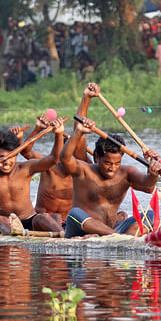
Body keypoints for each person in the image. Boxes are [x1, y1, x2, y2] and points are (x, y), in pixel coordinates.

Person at [61, 116, 161, 238]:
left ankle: (126, 238)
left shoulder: (126, 172)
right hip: (81, 229)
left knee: (150, 215)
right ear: (97, 157)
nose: (112, 168)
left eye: (117, 163)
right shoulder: (84, 170)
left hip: (111, 231)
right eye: (107, 163)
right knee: (74, 213)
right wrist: (78, 132)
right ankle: (122, 238)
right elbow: (65, 158)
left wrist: (152, 172)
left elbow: (148, 186)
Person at [19, 84, 99, 224]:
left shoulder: (83, 166)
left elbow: (78, 130)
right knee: (53, 218)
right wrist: (37, 129)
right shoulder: (49, 163)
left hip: (68, 222)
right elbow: (25, 151)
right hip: (43, 220)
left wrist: (86, 98)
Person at [0, 119, 66, 235]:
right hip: (5, 223)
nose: (7, 162)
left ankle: (65, 236)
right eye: (2, 157)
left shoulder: (26, 168)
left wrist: (59, 134)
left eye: (12, 156)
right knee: (0, 220)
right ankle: (16, 236)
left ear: (16, 154)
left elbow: (54, 159)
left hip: (28, 219)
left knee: (43, 217)